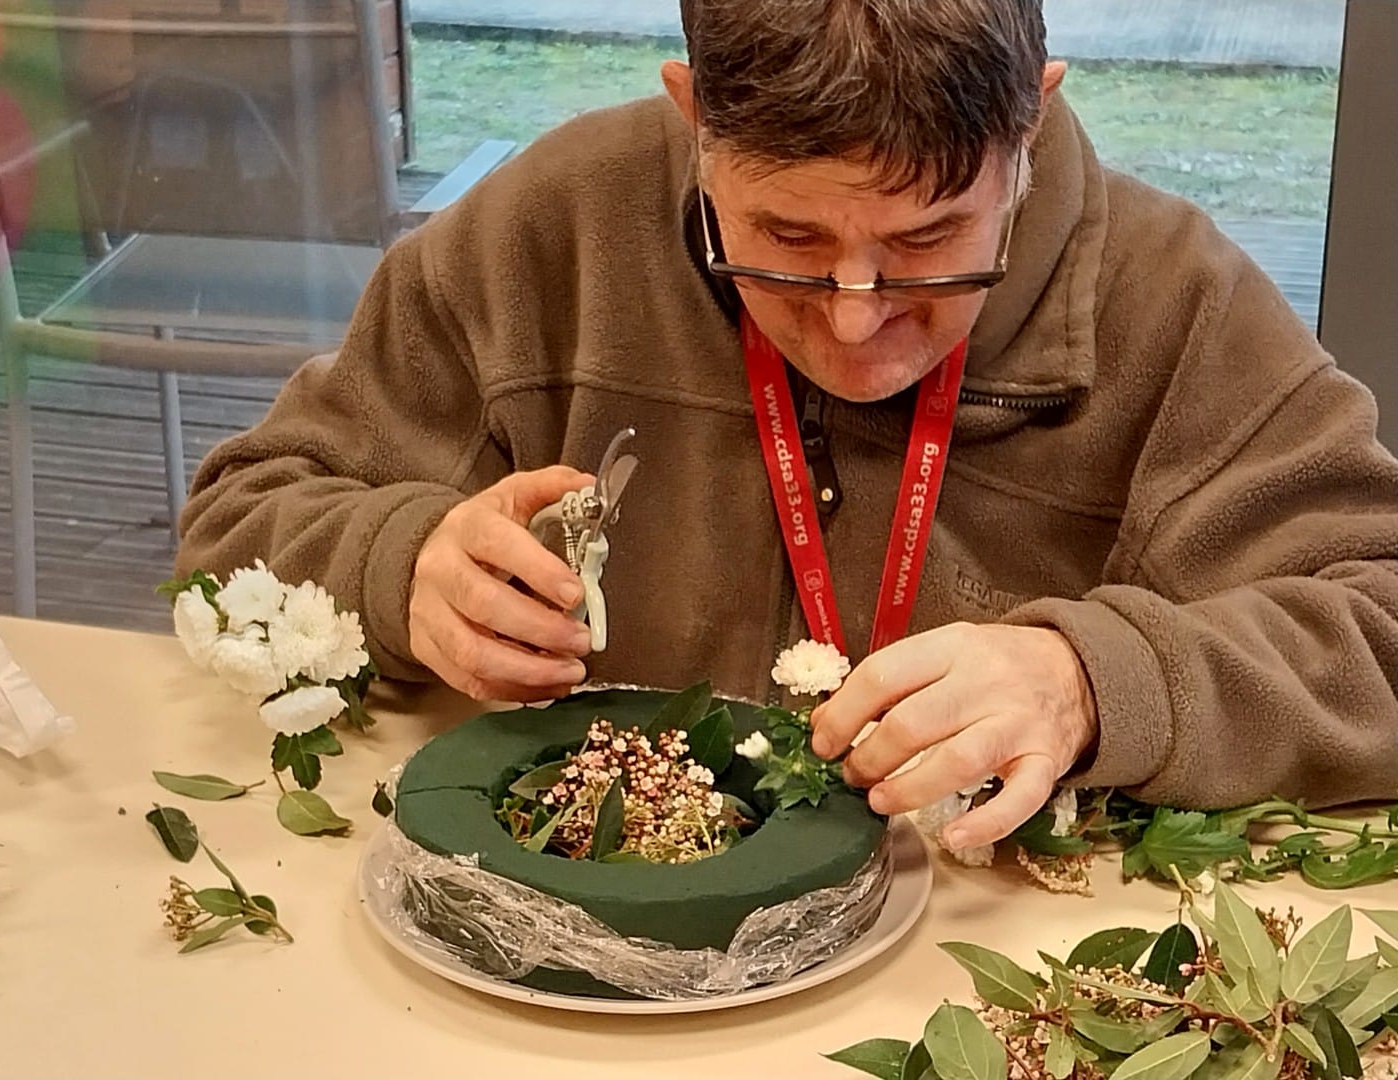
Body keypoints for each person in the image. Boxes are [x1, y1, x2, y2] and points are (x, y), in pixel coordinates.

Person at [175, 0, 1398, 857]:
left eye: (928, 245)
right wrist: (400, 569)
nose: (857, 323)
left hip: (971, 977)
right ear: (693, 111)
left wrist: (1095, 684)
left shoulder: (1176, 302)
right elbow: (238, 521)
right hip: (574, 943)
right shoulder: (547, 229)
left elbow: (1378, 622)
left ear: (1031, 119)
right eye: (789, 242)